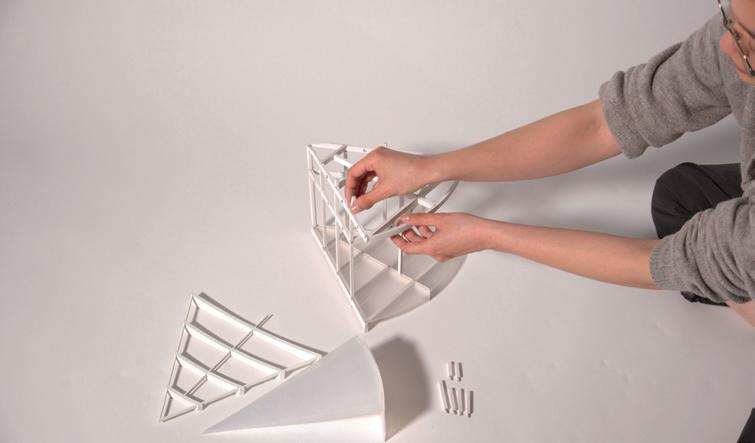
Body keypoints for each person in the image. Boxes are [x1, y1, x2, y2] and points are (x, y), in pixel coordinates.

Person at [345, 0, 755, 328]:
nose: (725, 45)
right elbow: (602, 124)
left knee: (720, 257)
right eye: (728, 18)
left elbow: (665, 264)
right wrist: (432, 167)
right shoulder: (737, 36)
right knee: (679, 196)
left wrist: (487, 234)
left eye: (745, 40)